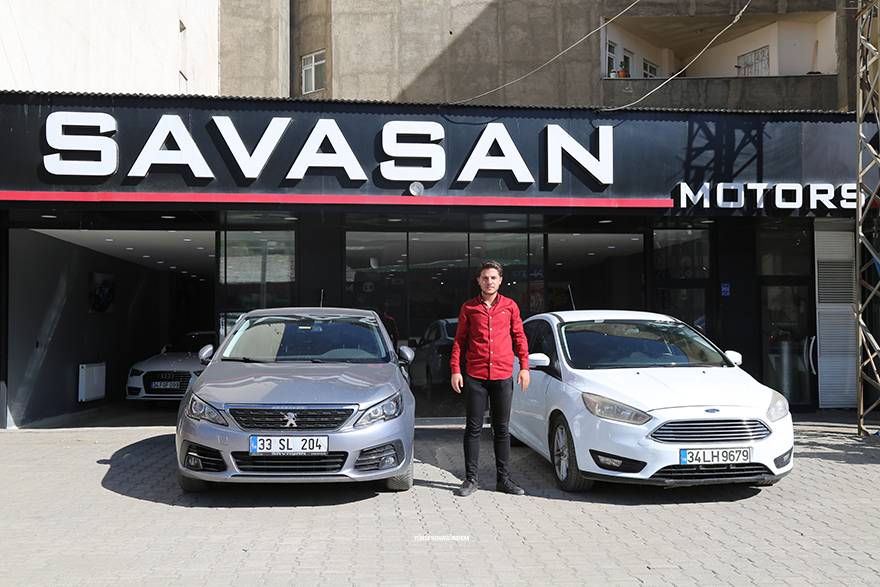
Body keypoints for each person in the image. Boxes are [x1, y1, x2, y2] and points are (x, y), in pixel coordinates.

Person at [450, 260, 530, 497]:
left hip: (503, 375)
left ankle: (503, 480)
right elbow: (459, 341)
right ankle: (471, 479)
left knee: (502, 429)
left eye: (493, 277)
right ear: (479, 281)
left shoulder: (510, 306)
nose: (489, 282)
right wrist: (455, 370)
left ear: (500, 280)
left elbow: (519, 337)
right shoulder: (469, 308)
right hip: (475, 376)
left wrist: (524, 367)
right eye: (485, 278)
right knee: (473, 428)